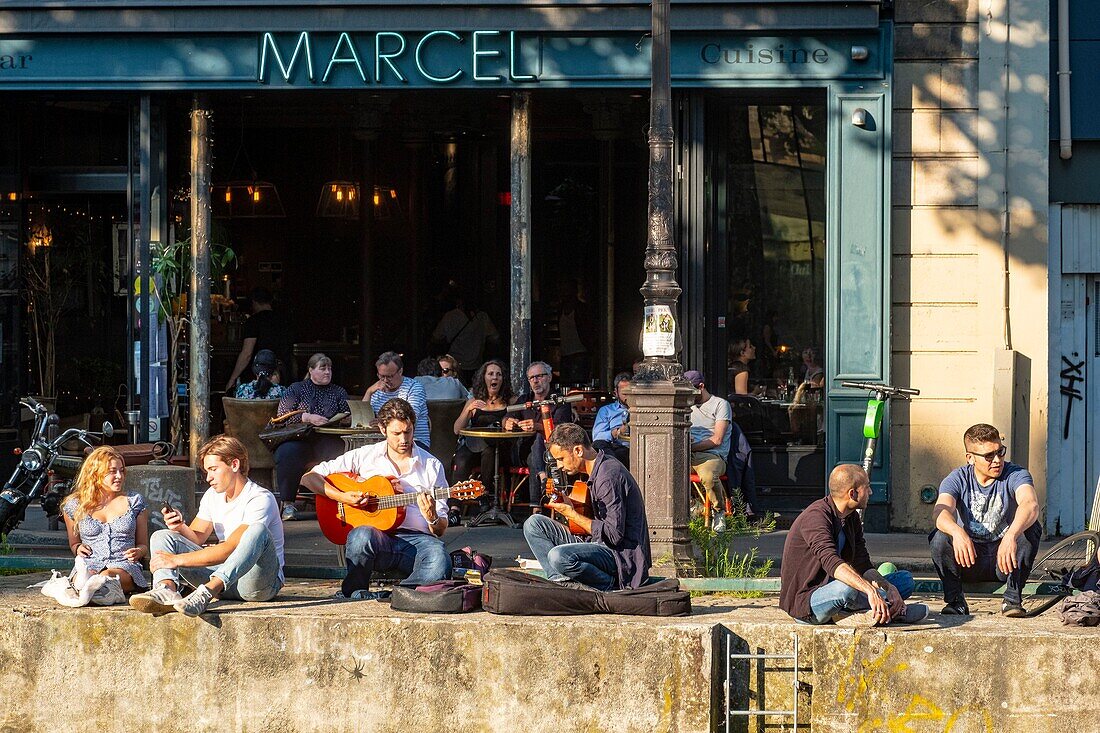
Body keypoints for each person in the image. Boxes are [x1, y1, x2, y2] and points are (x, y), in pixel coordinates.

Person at [301, 398, 451, 600]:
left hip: (417, 542)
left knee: (440, 559)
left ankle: (399, 595)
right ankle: (355, 592)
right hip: (377, 540)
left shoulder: (432, 465)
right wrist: (343, 496)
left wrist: (432, 517)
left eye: (408, 431)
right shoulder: (365, 456)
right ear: (382, 430)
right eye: (396, 433)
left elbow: (440, 529)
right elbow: (309, 478)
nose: (403, 439)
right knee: (360, 536)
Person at [128, 435, 285, 617]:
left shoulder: (260, 498)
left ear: (234, 465)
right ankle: (167, 589)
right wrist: (180, 527)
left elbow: (230, 548)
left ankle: (205, 594)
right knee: (162, 535)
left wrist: (176, 560)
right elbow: (197, 537)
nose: (208, 478)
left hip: (257, 584)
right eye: (206, 471)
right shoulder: (212, 495)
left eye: (213, 469)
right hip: (223, 579)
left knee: (257, 530)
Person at [779, 464, 926, 626]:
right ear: (853, 493)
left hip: (840, 590)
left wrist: (887, 586)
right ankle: (893, 611)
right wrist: (870, 591)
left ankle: (858, 612)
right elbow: (832, 563)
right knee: (846, 589)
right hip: (808, 602)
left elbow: (862, 564)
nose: (870, 492)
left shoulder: (851, 517)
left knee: (904, 581)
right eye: (867, 487)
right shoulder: (816, 517)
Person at [928, 423, 1041, 617]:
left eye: (1000, 452)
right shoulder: (957, 478)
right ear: (970, 458)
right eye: (989, 456)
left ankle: (1012, 601)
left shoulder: (1016, 474)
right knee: (939, 537)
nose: (997, 460)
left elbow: (1030, 504)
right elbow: (940, 512)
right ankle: (956, 602)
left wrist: (1012, 535)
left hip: (1005, 560)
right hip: (970, 559)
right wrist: (957, 531)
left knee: (1030, 529)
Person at [522, 423, 651, 590]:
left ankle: (609, 587)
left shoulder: (608, 477)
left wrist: (573, 515)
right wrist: (572, 507)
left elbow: (614, 536)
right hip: (598, 543)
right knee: (534, 524)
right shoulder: (597, 468)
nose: (560, 465)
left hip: (621, 556)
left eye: (561, 459)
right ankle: (562, 582)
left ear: (578, 451)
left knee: (558, 556)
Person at [56, 446, 149, 606]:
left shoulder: (134, 501)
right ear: (95, 474)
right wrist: (78, 548)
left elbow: (143, 545)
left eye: (121, 471)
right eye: (112, 471)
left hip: (123, 565)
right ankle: (86, 586)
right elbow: (74, 544)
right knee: (89, 576)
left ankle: (89, 589)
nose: (119, 476)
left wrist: (139, 551)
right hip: (90, 563)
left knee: (106, 577)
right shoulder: (74, 505)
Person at [273, 352, 350, 520]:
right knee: (288, 453)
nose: (327, 372)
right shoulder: (297, 388)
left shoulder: (338, 391)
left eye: (329, 368)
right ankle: (288, 504)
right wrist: (306, 417)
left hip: (328, 437)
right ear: (311, 370)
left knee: (341, 453)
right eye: (323, 368)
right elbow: (282, 415)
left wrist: (344, 418)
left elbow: (347, 414)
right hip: (300, 437)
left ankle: (338, 501)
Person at [503, 360, 575, 506]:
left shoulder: (559, 400)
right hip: (523, 451)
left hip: (554, 453)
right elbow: (505, 416)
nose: (535, 381)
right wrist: (508, 422)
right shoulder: (524, 399)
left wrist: (536, 426)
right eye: (532, 378)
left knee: (537, 442)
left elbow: (561, 428)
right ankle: (542, 487)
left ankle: (536, 504)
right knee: (534, 447)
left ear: (549, 377)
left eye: (539, 376)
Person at [451, 359, 514, 524]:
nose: (495, 377)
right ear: (484, 378)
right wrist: (468, 411)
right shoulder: (474, 401)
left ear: (503, 379)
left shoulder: (510, 401)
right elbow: (457, 429)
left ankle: (484, 494)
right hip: (474, 446)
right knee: (461, 459)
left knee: (489, 451)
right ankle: (454, 509)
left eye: (498, 374)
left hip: (499, 447)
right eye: (491, 374)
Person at [684, 370, 734, 531]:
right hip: (687, 453)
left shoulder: (720, 404)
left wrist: (690, 446)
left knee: (708, 476)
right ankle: (692, 506)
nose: (689, 396)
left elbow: (717, 439)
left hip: (712, 455)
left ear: (701, 386)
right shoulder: (686, 405)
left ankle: (718, 511)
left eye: (692, 391)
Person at [224, 286, 290, 394]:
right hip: (283, 371)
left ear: (253, 302)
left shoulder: (253, 322)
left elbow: (247, 354)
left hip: (260, 375)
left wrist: (232, 379)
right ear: (270, 301)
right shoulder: (284, 320)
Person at [363, 351, 431, 448]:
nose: (385, 380)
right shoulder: (377, 389)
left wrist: (381, 422)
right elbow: (363, 417)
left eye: (390, 376)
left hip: (413, 441)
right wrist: (369, 392)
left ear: (400, 371)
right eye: (382, 376)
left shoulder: (414, 388)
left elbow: (409, 418)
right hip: (381, 442)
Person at [431, 295, 500, 383]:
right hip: (476, 365)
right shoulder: (482, 317)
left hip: (455, 366)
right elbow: (495, 338)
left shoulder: (450, 316)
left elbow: (436, 338)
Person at [556, 278, 593, 386]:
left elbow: (588, 330)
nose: (565, 293)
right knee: (565, 386)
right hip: (565, 355)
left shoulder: (581, 308)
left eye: (567, 290)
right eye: (563, 290)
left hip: (580, 353)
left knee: (579, 386)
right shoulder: (560, 309)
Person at [592, 371, 631, 467]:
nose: (628, 395)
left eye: (630, 391)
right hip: (616, 448)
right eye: (624, 392)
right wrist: (617, 432)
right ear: (616, 393)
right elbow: (598, 437)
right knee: (599, 445)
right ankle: (613, 468)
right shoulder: (606, 410)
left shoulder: (643, 409)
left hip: (637, 446)